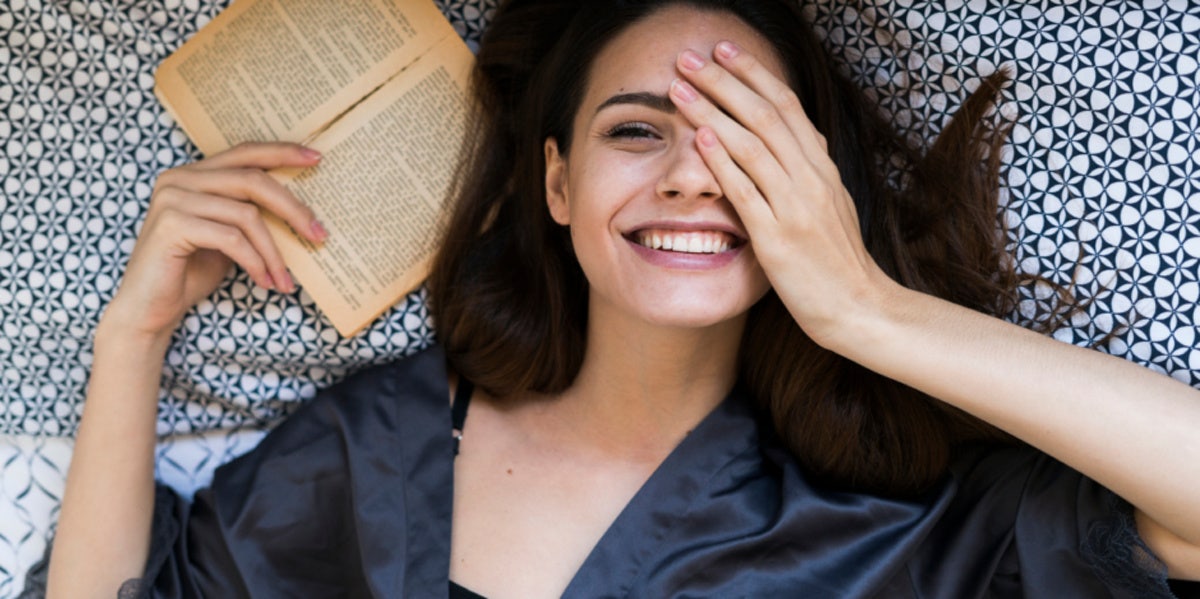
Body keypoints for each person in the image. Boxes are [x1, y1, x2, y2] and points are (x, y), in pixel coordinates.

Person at [40, 0, 1200, 597]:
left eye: (746, 141)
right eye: (636, 129)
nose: (693, 172)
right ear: (555, 179)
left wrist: (865, 309)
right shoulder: (375, 449)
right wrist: (133, 331)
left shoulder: (903, 519)